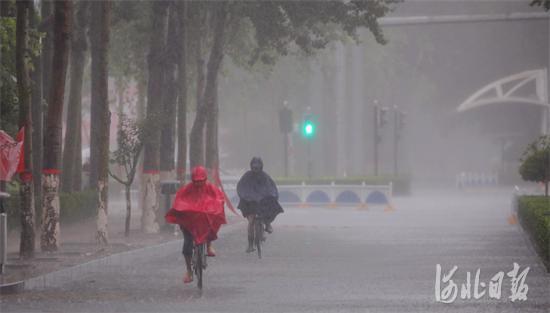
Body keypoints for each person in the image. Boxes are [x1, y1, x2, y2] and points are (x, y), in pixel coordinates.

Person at [165, 166, 226, 283]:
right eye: (196, 181)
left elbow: (219, 198)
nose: (199, 183)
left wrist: (214, 207)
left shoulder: (210, 188)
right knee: (187, 246)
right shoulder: (187, 189)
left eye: (201, 181)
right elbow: (179, 201)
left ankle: (208, 245)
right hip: (190, 222)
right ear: (193, 180)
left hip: (204, 220)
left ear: (205, 179)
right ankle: (189, 271)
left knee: (211, 225)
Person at [237, 157, 284, 253]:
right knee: (250, 222)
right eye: (254, 167)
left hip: (262, 202)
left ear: (261, 166)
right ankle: (250, 244)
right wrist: (245, 196)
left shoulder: (265, 176)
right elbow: (241, 187)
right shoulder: (247, 176)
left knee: (270, 203)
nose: (255, 169)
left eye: (257, 167)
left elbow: (271, 188)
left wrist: (271, 196)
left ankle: (267, 224)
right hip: (250, 202)